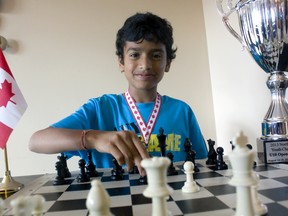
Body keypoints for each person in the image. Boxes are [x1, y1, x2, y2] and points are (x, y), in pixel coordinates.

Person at [29, 12, 208, 176]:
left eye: (156, 55)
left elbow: (202, 164)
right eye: (135, 55)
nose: (145, 64)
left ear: (167, 63)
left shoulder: (182, 111)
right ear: (121, 62)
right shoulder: (100, 108)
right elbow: (36, 141)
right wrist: (93, 137)